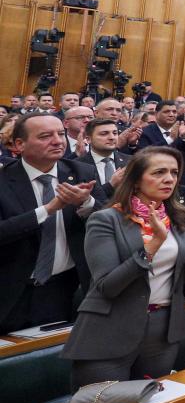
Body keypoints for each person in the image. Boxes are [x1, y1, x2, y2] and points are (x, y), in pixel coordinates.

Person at [61, 147, 185, 388]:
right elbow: (107, 285)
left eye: (174, 172)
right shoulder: (106, 219)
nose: (169, 179)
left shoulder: (175, 217)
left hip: (162, 328)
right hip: (111, 326)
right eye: (158, 172)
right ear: (135, 180)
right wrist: (151, 246)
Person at [0, 113, 106, 333]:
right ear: (19, 144)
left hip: (63, 287)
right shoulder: (4, 179)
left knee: (50, 358)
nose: (58, 141)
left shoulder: (80, 172)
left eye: (60, 133)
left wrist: (86, 202)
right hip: (10, 287)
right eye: (46, 136)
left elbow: (110, 218)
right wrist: (47, 210)